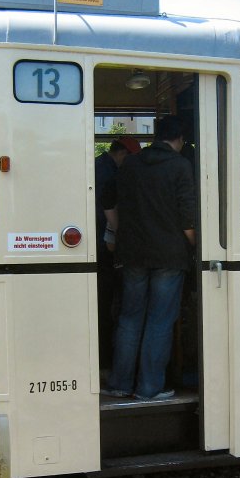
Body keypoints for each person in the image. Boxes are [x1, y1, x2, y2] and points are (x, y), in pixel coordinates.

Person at [102, 115, 196, 401]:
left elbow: (107, 198)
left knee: (130, 318)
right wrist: (195, 247)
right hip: (169, 255)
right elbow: (187, 217)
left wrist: (120, 232)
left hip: (132, 254)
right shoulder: (181, 166)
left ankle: (120, 383)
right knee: (159, 320)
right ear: (179, 138)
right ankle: (150, 387)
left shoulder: (131, 163)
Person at [95, 136, 141, 369]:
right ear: (123, 154)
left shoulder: (98, 166)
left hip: (101, 246)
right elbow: (108, 210)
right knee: (110, 306)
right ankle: (106, 360)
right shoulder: (109, 173)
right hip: (104, 248)